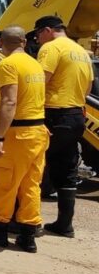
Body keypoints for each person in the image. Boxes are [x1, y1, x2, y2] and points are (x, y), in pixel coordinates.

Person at [0, 26, 49, 253]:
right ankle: (27, 235)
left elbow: (9, 102)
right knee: (30, 185)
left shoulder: (8, 65)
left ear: (1, 42)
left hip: (18, 134)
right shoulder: (34, 64)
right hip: (37, 132)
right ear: (24, 42)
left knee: (5, 183)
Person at [34, 15, 94, 237]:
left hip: (53, 115)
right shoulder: (81, 52)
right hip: (76, 115)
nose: (38, 40)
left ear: (48, 30)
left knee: (33, 163)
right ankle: (64, 224)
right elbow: (88, 87)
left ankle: (26, 221)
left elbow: (39, 81)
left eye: (38, 34)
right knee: (66, 167)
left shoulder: (51, 48)